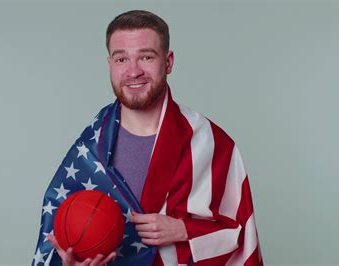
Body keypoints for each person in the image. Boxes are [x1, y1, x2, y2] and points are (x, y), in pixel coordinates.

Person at [32, 10, 263, 266]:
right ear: (110, 65)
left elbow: (242, 236)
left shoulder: (212, 143)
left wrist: (184, 230)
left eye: (146, 56)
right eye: (121, 59)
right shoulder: (89, 147)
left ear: (168, 62)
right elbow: (59, 239)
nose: (133, 71)